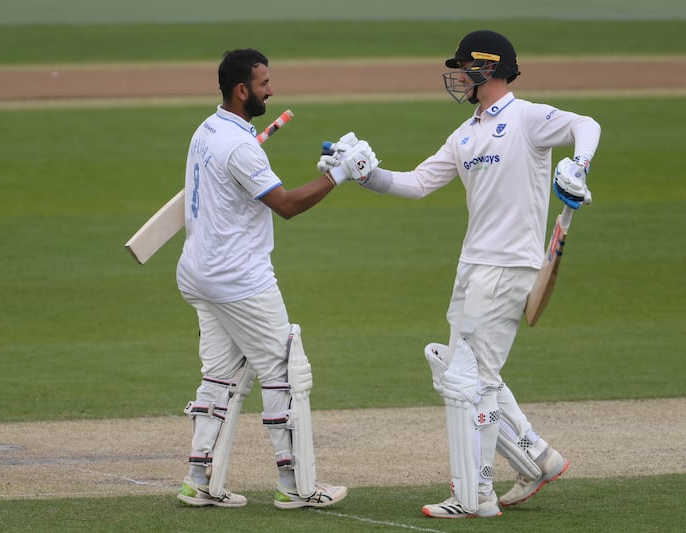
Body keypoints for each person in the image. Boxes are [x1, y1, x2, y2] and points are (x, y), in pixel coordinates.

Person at [319, 30, 601, 518]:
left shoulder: (526, 118)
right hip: (471, 267)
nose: (456, 76)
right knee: (463, 373)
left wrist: (578, 165)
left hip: (510, 266)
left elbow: (587, 124)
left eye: (463, 67)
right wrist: (363, 174)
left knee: (475, 382)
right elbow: (416, 183)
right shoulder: (465, 134)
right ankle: (537, 458)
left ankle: (477, 495)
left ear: (487, 70)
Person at [174, 48, 376, 510]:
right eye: (264, 83)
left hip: (198, 272)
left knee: (220, 376)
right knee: (284, 374)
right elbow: (285, 205)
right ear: (242, 89)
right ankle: (296, 485)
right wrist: (341, 174)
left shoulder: (207, 129)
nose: (272, 90)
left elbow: (252, 188)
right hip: (238, 279)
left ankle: (197, 478)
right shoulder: (241, 147)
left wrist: (322, 174)